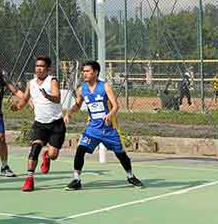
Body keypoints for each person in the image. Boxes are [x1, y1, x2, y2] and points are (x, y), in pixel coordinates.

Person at [64, 61, 143, 191]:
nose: (85, 73)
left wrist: (110, 115)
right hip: (92, 129)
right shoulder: (82, 89)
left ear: (95, 72)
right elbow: (77, 105)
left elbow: (116, 105)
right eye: (84, 71)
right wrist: (69, 113)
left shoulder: (105, 87)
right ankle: (76, 180)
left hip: (108, 128)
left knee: (121, 154)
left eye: (88, 71)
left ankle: (130, 176)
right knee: (80, 150)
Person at [10, 56, 65, 192]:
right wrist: (17, 107)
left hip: (55, 124)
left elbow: (57, 99)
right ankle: (29, 179)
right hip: (40, 124)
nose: (38, 69)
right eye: (37, 66)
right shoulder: (31, 83)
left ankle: (46, 155)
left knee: (53, 155)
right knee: (34, 148)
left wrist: (47, 96)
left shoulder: (52, 81)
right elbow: (25, 99)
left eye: (42, 66)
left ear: (48, 69)